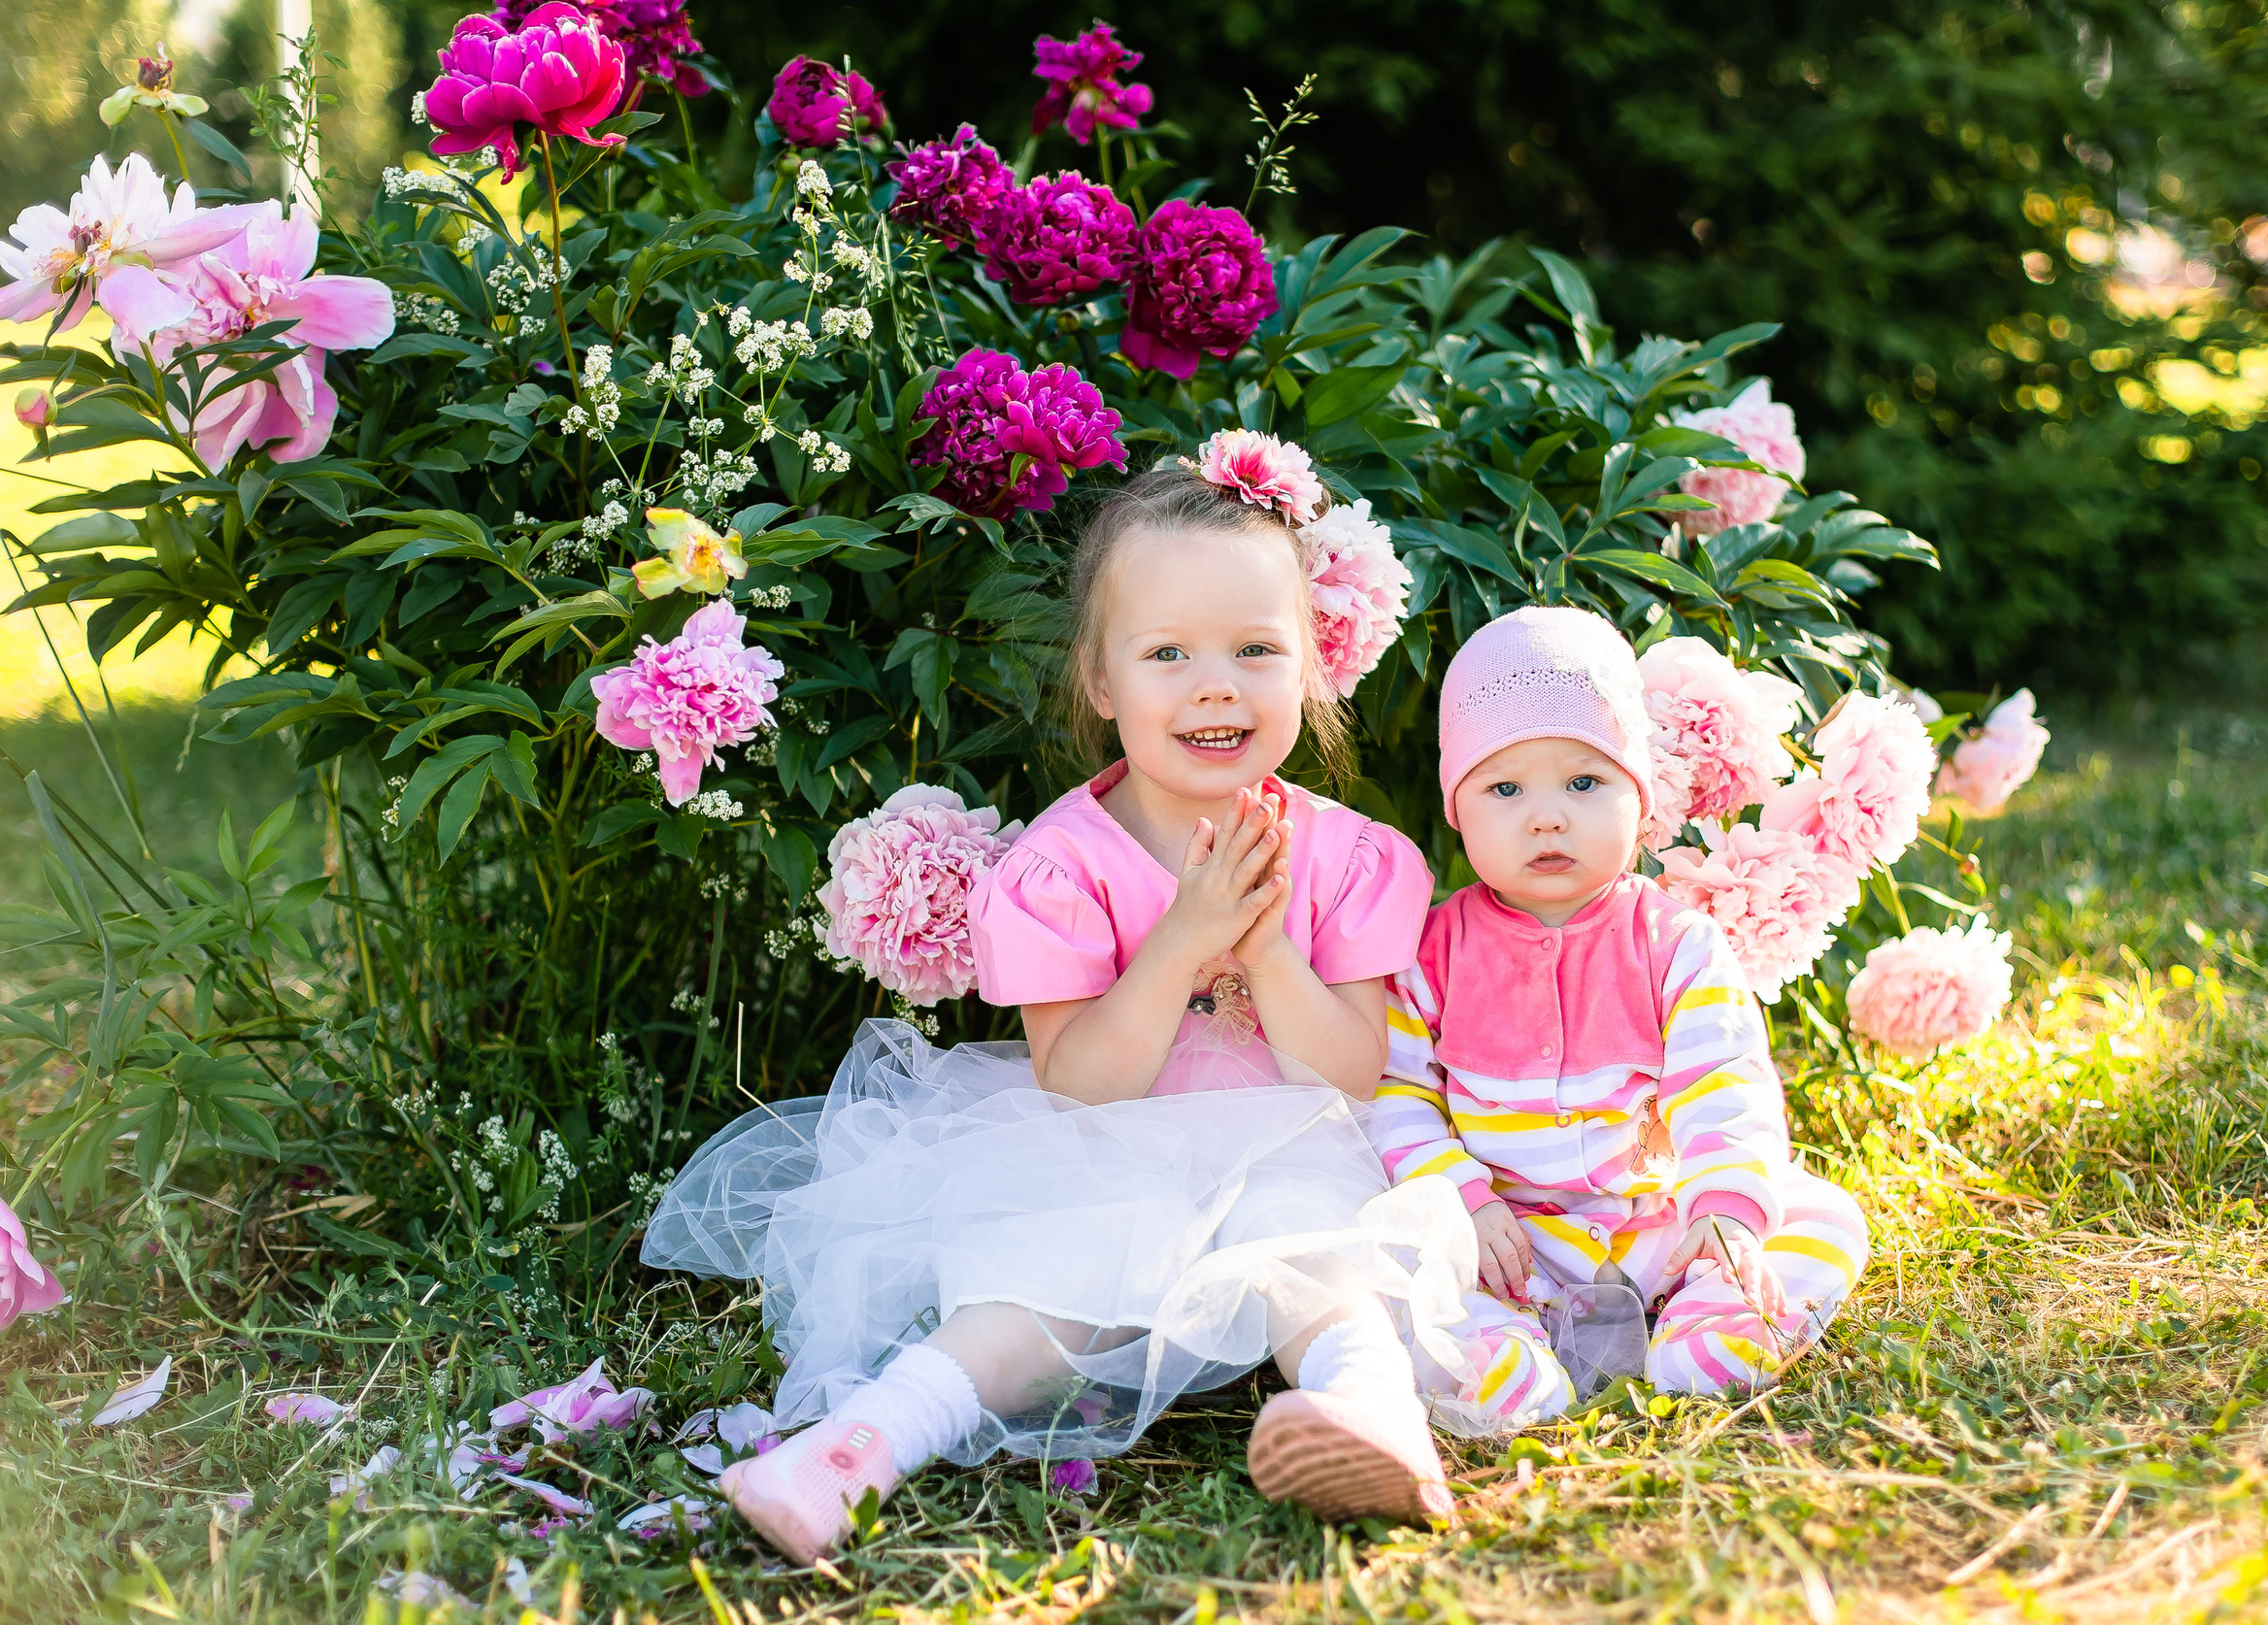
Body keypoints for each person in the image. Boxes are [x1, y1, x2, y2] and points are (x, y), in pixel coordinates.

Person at [644, 439, 1471, 1565]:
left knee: (1316, 1266)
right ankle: (854, 1450)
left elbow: (1349, 1075)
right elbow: (1079, 1082)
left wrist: (1268, 953)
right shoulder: (1060, 868)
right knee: (1027, 1309)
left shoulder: (1345, 857)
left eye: (1256, 650)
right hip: (1101, 1150)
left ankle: (1371, 1417)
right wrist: (1181, 943)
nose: (1215, 683)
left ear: (1313, 669)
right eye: (1167, 652)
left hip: (1284, 1149)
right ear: (1101, 680)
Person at [1369, 606, 1871, 1428]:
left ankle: (1704, 1331)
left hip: (1655, 1226)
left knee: (1820, 1215)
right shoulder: (1433, 954)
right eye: (1505, 787)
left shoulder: (1674, 942)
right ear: (1458, 806)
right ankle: (1510, 1363)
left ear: (1639, 797)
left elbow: (1723, 1082)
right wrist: (1462, 1197)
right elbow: (1397, 1093)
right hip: (1509, 1240)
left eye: (1584, 781)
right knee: (1394, 1262)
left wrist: (1722, 1211)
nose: (1548, 815)